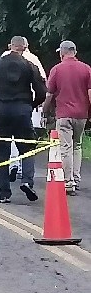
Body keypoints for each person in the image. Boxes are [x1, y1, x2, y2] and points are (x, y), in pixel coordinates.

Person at [0, 35, 47, 204]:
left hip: (1, 110)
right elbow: (41, 91)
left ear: (10, 46)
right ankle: (27, 181)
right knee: (28, 148)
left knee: (1, 151)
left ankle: (4, 193)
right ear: (24, 47)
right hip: (22, 109)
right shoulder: (29, 65)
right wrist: (31, 105)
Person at [42, 40, 91, 196]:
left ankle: (68, 182)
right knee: (77, 145)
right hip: (81, 114)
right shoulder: (86, 69)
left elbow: (49, 94)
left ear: (62, 53)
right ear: (75, 52)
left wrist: (44, 110)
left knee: (66, 148)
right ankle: (75, 178)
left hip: (63, 114)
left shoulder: (57, 69)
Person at [1, 37, 47, 182]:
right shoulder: (33, 59)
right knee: (26, 139)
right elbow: (42, 81)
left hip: (5, 104)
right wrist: (38, 103)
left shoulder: (3, 58)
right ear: (26, 46)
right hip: (27, 104)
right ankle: (23, 170)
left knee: (10, 137)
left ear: (10, 46)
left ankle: (12, 164)